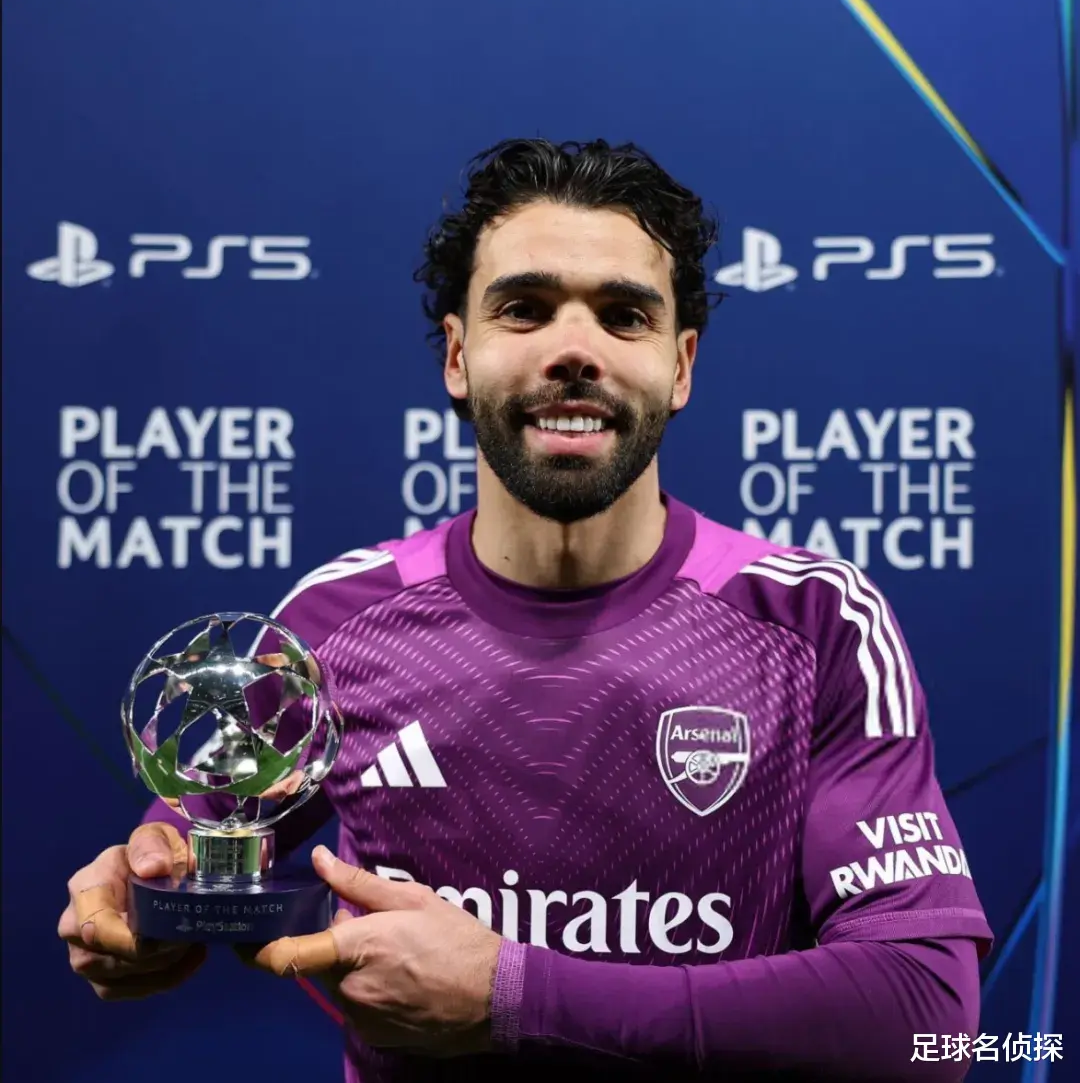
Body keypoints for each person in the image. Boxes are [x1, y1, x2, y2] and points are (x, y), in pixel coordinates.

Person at [60, 138, 992, 1082]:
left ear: (681, 366)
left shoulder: (814, 622)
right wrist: (135, 898)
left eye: (624, 316)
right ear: (458, 356)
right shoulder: (335, 622)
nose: (573, 350)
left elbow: (932, 1017)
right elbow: (185, 845)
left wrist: (513, 995)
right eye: (525, 309)